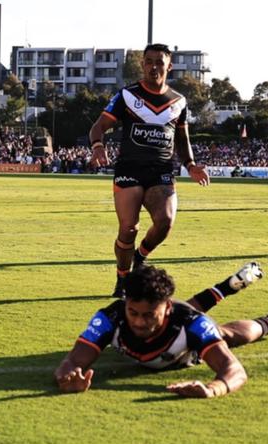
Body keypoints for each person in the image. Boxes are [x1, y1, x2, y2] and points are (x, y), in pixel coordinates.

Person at [54, 263, 268, 398]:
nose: (139, 322)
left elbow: (234, 370)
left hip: (184, 352)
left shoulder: (191, 323)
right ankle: (227, 286)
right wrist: (66, 378)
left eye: (149, 315)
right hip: (177, 319)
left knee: (228, 334)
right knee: (188, 313)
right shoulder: (110, 316)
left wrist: (214, 388)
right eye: (133, 313)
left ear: (166, 308)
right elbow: (73, 360)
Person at [88, 43, 210, 297]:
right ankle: (123, 280)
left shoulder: (179, 101)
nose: (154, 66)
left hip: (161, 169)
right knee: (128, 228)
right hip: (130, 168)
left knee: (165, 222)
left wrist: (191, 165)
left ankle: (140, 256)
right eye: (149, 61)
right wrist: (98, 146)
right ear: (143, 64)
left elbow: (182, 139)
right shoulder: (127, 95)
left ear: (169, 66)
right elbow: (98, 126)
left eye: (159, 62)